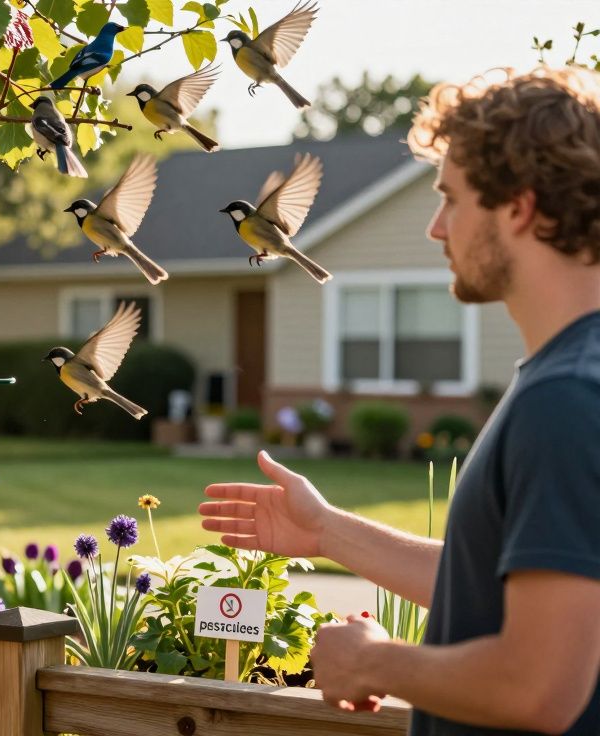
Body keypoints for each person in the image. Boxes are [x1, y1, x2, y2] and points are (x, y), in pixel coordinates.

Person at [199, 66, 600, 734]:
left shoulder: (567, 398)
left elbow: (539, 688)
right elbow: (489, 586)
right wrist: (325, 531)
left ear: (519, 207)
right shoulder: (565, 376)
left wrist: (373, 663)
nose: (436, 228)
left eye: (451, 200)